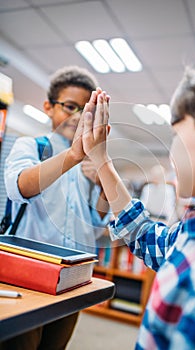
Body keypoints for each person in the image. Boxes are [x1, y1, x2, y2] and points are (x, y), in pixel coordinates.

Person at [79, 53, 195, 349]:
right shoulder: (194, 230)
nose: (171, 147)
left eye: (176, 133)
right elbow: (143, 234)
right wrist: (101, 160)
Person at [2, 66, 110, 350]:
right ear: (48, 107)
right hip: (29, 276)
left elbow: (95, 224)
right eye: (70, 107)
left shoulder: (87, 164)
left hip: (72, 278)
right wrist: (73, 155)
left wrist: (103, 187)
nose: (77, 117)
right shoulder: (31, 146)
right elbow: (19, 186)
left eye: (85, 110)